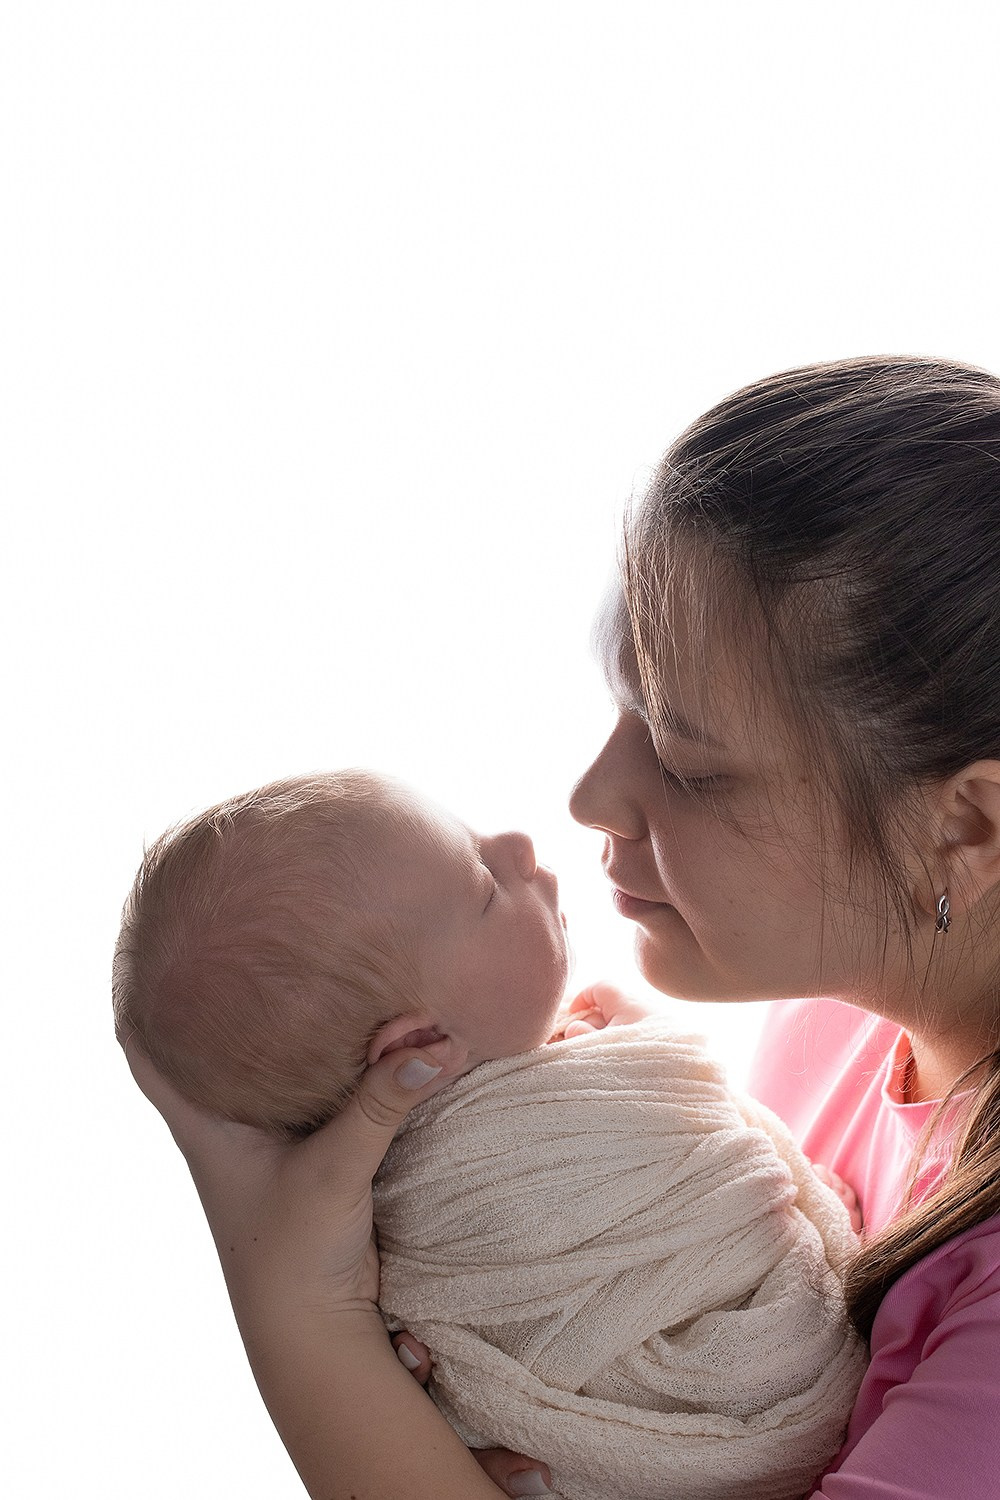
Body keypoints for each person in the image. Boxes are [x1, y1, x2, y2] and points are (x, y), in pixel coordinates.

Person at [119, 355, 1000, 1498]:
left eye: (689, 764)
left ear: (967, 824)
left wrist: (298, 1315)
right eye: (627, 705)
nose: (590, 795)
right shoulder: (834, 1015)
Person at [114, 770, 864, 1500]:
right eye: (482, 885)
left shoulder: (347, 1217)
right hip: (750, 1404)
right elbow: (708, 1153)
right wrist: (649, 1065)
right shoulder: (431, 1188)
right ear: (418, 1047)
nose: (519, 845)